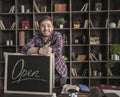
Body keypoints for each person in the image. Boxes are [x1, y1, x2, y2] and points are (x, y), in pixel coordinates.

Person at [21, 15, 67, 87]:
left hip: (59, 72)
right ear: (39, 28)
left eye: (48, 26)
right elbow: (24, 49)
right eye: (43, 26)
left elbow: (58, 50)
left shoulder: (57, 35)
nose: (46, 28)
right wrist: (40, 50)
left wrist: (49, 49)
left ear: (52, 28)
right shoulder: (36, 37)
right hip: (43, 73)